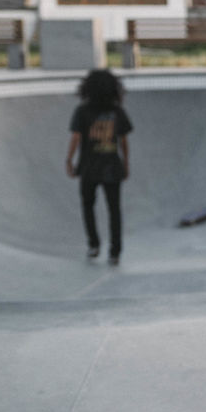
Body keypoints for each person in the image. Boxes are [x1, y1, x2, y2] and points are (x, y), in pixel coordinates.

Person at [65, 69, 132, 266]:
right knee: (114, 210)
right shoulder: (117, 112)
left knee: (88, 206)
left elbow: (76, 137)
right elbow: (123, 141)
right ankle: (115, 252)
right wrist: (126, 163)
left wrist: (69, 159)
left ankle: (94, 245)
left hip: (88, 167)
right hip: (112, 166)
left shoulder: (82, 111)